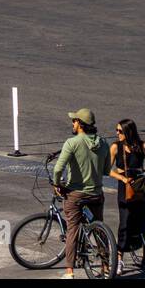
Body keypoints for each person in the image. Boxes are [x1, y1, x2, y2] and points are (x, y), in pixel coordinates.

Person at [52, 106, 112, 278]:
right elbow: (107, 170)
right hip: (96, 194)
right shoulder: (103, 143)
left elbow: (57, 169)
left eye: (74, 120)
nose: (72, 123)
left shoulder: (72, 143)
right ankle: (106, 266)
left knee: (72, 229)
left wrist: (57, 184)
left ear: (80, 124)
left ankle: (69, 271)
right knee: (99, 229)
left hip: (76, 194)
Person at [108, 118, 145, 276]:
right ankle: (119, 258)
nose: (117, 133)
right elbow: (106, 169)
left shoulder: (143, 146)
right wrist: (122, 178)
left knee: (143, 222)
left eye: (120, 131)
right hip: (126, 187)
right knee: (125, 222)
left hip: (141, 186)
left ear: (128, 132)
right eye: (116, 130)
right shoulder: (116, 147)